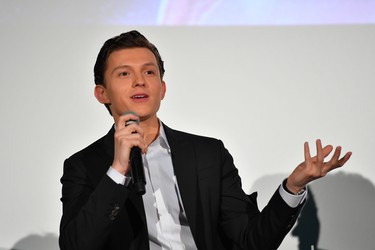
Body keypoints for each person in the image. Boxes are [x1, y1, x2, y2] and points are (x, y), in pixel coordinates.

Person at [59, 30, 351, 250]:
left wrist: (293, 187)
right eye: (124, 73)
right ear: (102, 94)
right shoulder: (83, 166)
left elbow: (251, 241)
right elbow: (76, 246)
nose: (140, 81)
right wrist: (118, 170)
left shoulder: (208, 154)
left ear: (162, 88)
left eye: (149, 72)